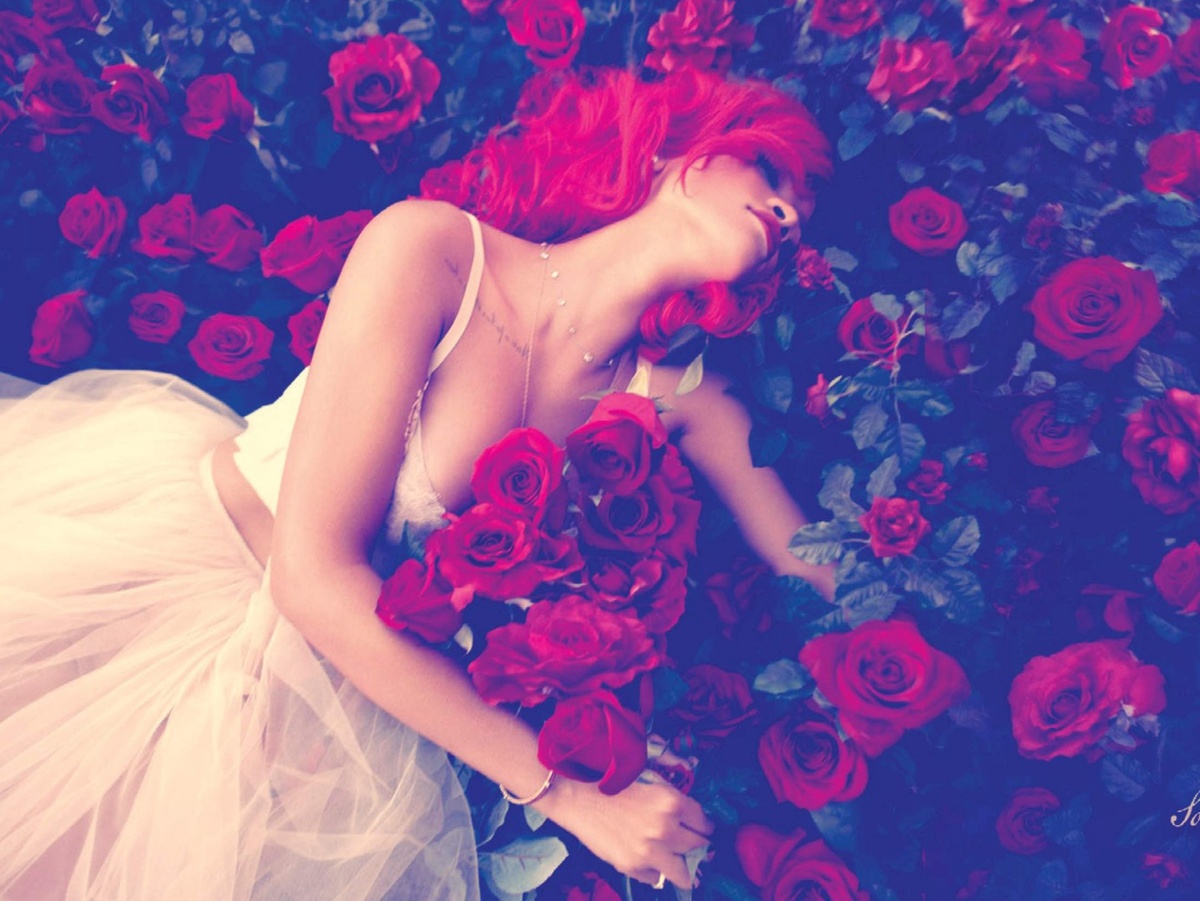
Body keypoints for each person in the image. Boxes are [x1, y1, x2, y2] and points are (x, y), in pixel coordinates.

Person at [0, 65, 833, 899]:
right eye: (769, 169)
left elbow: (822, 573)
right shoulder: (437, 250)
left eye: (800, 209)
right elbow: (310, 574)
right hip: (163, 599)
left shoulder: (686, 395)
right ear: (674, 151)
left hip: (338, 710)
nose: (788, 211)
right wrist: (572, 796)